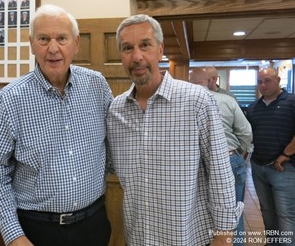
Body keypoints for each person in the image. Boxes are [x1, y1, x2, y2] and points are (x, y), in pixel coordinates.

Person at [0, 4, 113, 246]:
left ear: (76, 43)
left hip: (93, 226)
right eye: (44, 39)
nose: (53, 48)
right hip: (36, 232)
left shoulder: (97, 87)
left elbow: (114, 148)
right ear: (32, 44)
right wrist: (14, 236)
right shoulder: (11, 99)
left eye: (61, 38)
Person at [107, 14, 243, 246]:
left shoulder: (196, 100)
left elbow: (220, 172)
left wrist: (224, 234)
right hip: (139, 236)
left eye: (145, 45)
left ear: (160, 50)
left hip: (188, 237)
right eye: (127, 48)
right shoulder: (116, 110)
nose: (137, 56)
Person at [190, 67, 253, 246]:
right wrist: (240, 152)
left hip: (196, 162)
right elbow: (246, 131)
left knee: (199, 209)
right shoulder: (227, 101)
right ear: (210, 80)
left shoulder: (183, 103)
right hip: (230, 157)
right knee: (233, 211)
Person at [246, 67, 295, 245]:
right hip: (259, 167)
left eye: (267, 80)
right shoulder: (254, 107)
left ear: (278, 80)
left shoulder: (291, 101)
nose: (263, 85)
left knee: (286, 213)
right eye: (259, 81)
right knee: (267, 211)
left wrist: (286, 154)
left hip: (284, 168)